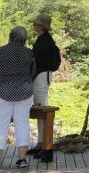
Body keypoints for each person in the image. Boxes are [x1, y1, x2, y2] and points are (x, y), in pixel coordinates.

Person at [0, 26, 36, 171]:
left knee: (0, 127)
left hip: (2, 92)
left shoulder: (0, 51)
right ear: (24, 39)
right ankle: (22, 160)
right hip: (24, 93)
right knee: (22, 125)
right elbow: (33, 72)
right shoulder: (29, 53)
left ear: (10, 36)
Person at [28, 13, 60, 156]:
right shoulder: (44, 39)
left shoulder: (44, 41)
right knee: (40, 108)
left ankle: (44, 144)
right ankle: (41, 143)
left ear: (41, 26)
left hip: (41, 76)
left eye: (36, 23)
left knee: (42, 109)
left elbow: (36, 59)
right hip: (42, 75)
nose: (33, 25)